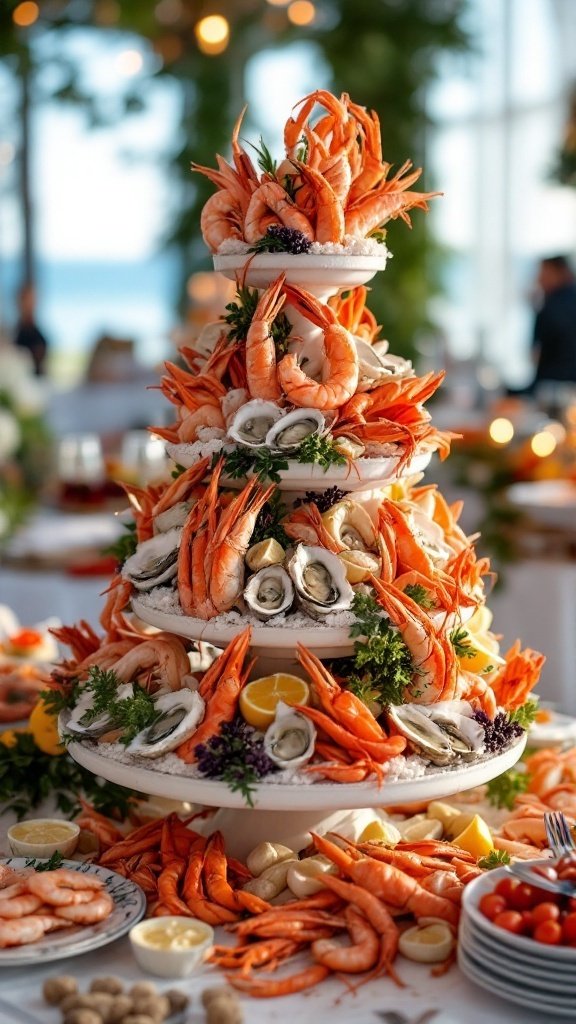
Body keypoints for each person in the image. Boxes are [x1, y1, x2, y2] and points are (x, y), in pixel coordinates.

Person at [531, 255, 576, 387]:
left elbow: (535, 355)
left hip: (553, 386)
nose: (539, 279)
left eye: (543, 272)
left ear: (560, 272)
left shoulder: (550, 307)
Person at [13, 282, 49, 376]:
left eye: (32, 300)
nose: (29, 304)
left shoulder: (36, 333)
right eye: (26, 300)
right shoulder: (14, 331)